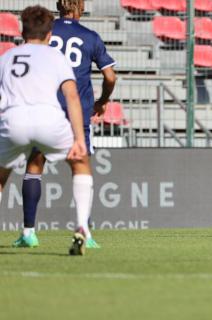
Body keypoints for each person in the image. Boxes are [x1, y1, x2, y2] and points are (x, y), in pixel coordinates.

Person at [12, 0, 116, 249]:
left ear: (58, 6)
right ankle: (86, 233)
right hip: (76, 111)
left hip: (45, 108)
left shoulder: (46, 32)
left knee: (35, 166)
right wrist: (102, 101)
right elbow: (110, 76)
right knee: (81, 166)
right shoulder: (90, 36)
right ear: (80, 7)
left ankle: (28, 232)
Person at [0, 5, 88, 255]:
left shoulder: (6, 57)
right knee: (80, 162)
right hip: (48, 119)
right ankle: (82, 227)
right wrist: (79, 138)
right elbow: (71, 96)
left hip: (13, 120)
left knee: (1, 175)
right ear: (50, 34)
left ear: (21, 32)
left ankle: (28, 232)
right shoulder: (55, 56)